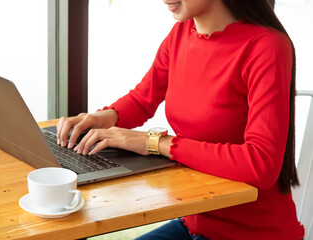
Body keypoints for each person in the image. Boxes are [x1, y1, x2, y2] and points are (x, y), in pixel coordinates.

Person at [56, 0, 305, 239]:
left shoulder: (266, 46)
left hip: (254, 234)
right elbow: (143, 99)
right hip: (194, 222)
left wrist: (155, 143)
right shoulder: (181, 33)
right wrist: (102, 117)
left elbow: (260, 164)